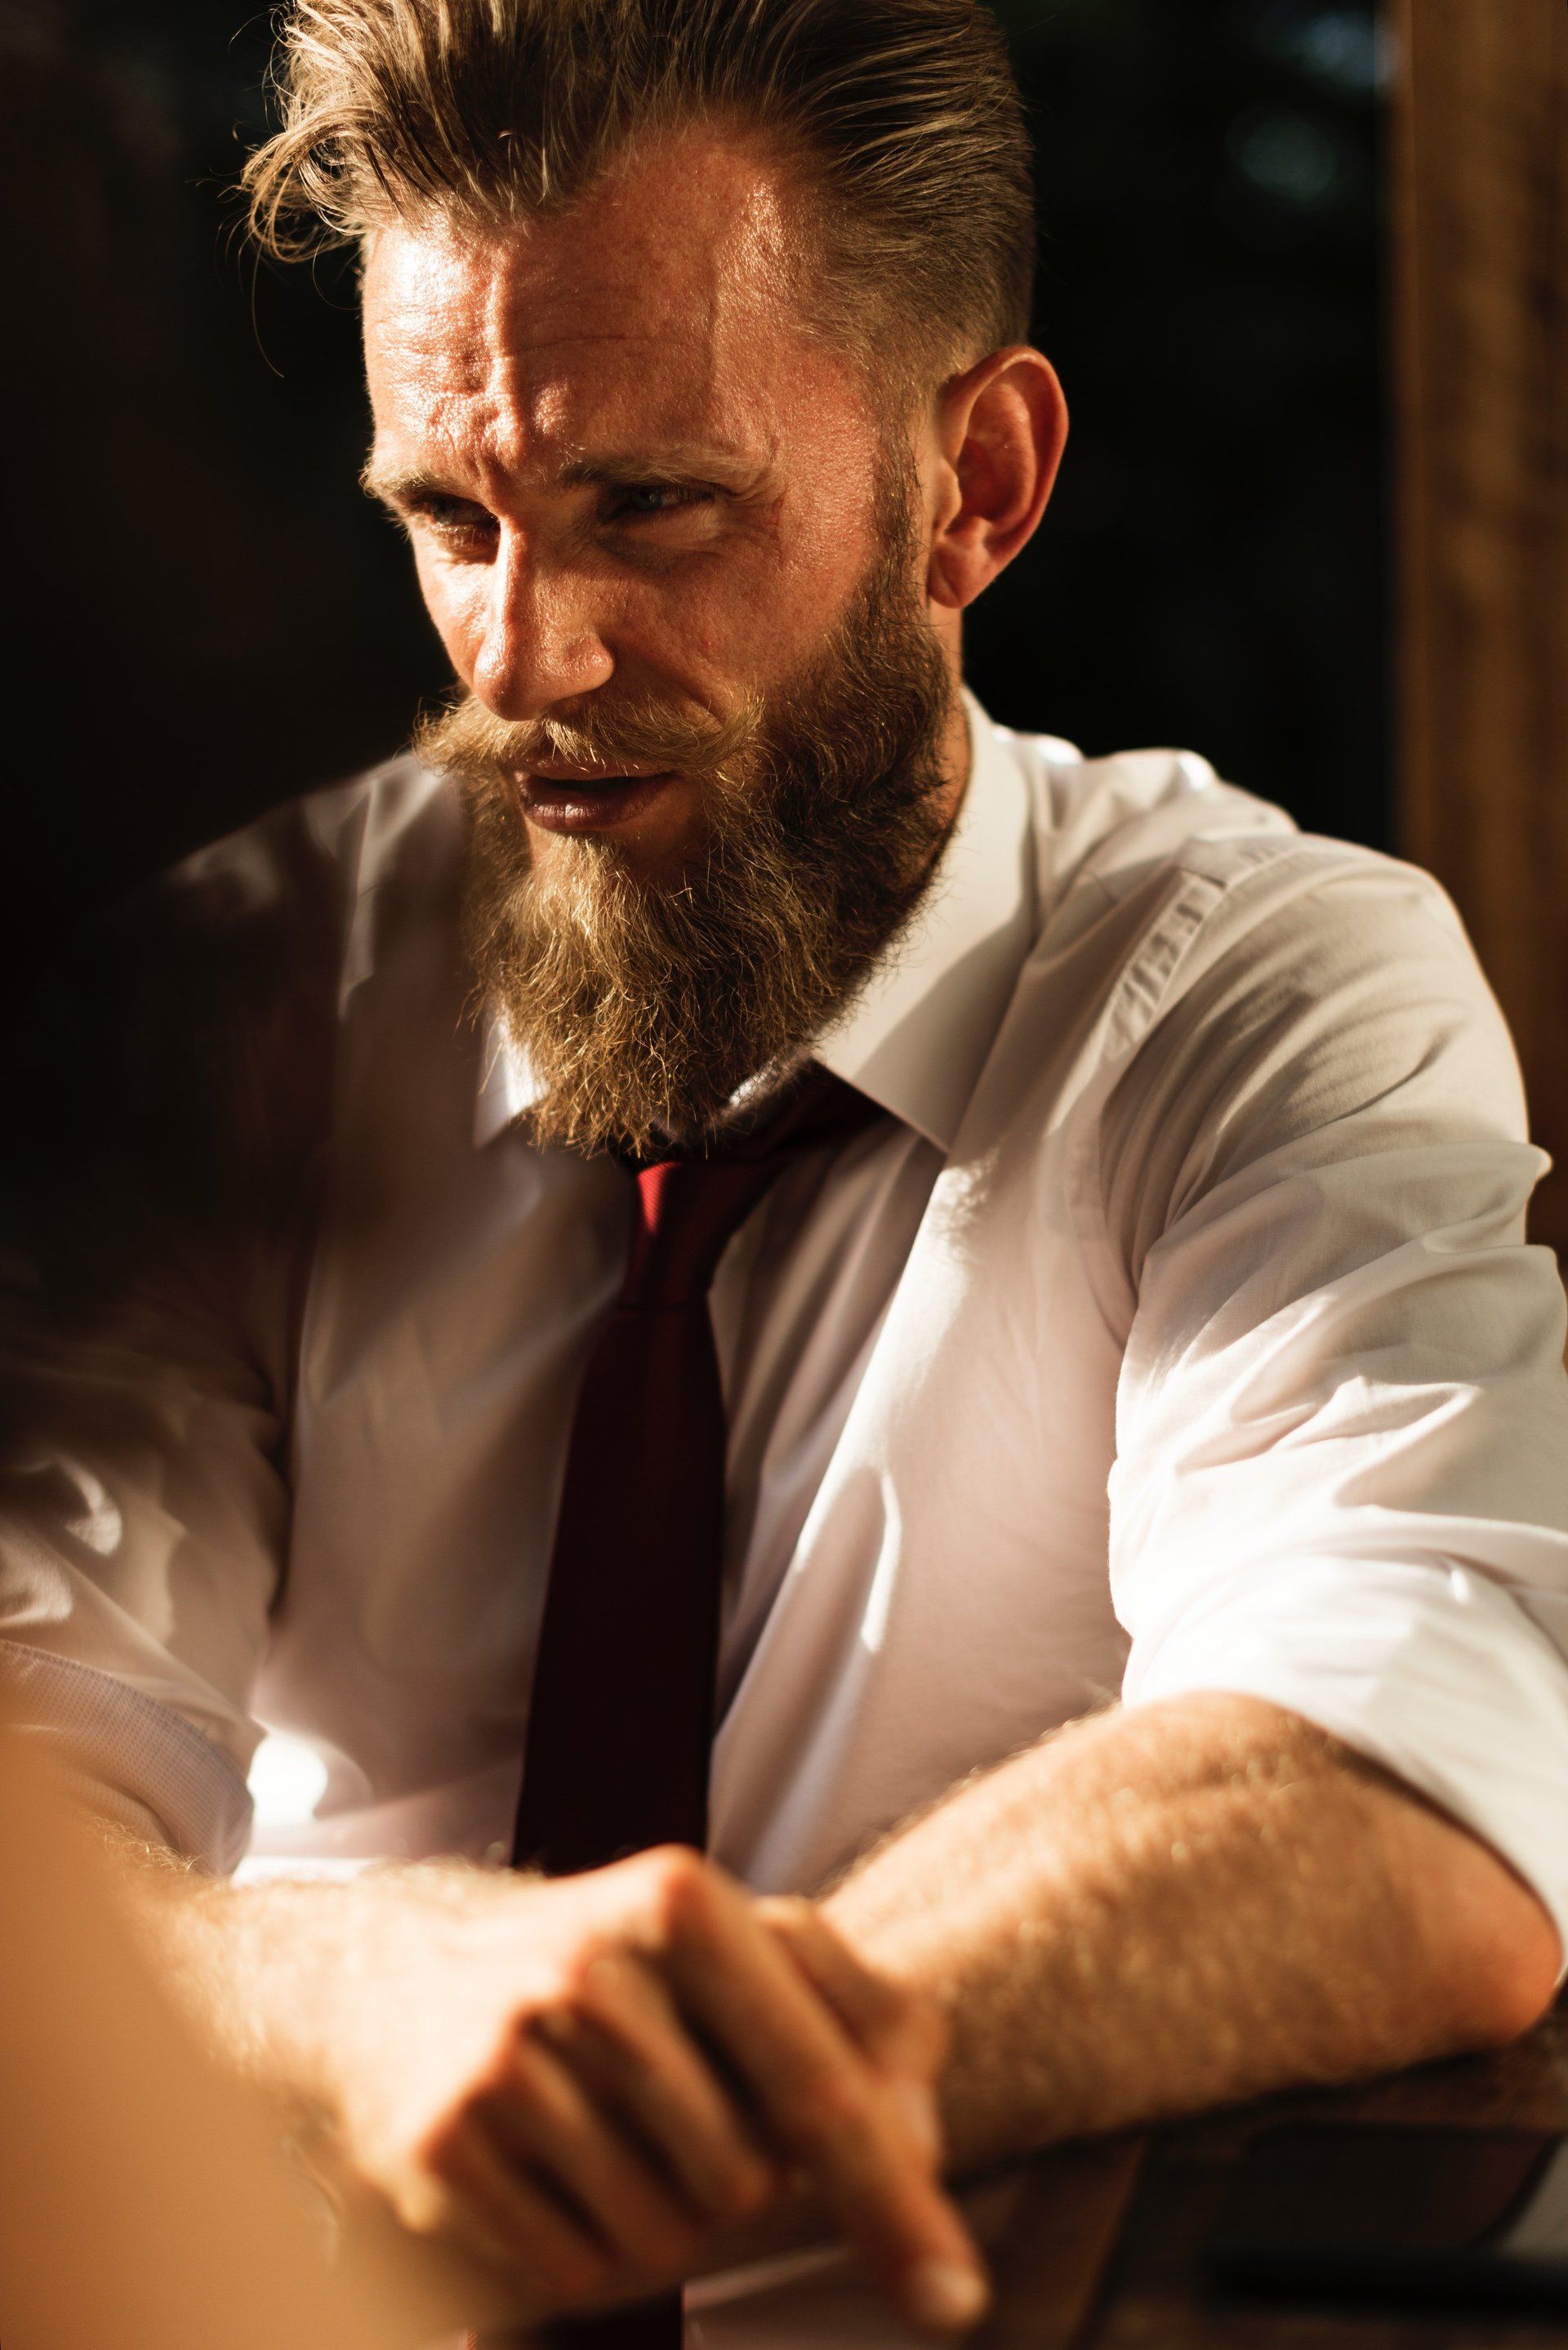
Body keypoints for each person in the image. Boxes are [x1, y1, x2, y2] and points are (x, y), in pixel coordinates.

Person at [4, 0, 1568, 2339]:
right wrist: (365, 1989)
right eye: (448, 519)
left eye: (649, 508)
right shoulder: (233, 999)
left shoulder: (1264, 996)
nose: (521, 660)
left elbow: (1412, 1773)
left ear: (977, 485)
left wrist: (647, 2098)